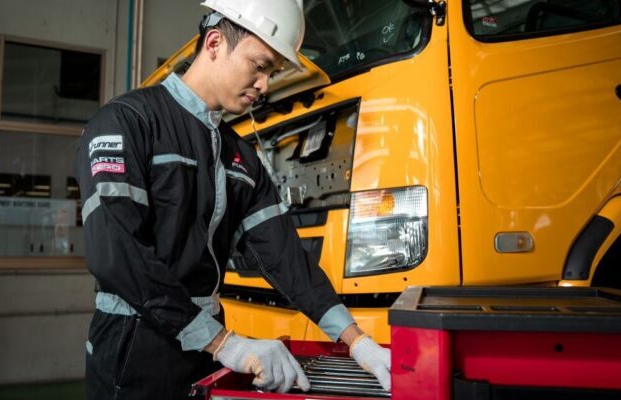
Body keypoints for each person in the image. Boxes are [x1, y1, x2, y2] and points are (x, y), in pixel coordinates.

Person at [75, 0, 391, 399]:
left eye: (272, 73)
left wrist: (358, 342)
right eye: (259, 66)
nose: (265, 86)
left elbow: (286, 258)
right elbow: (116, 255)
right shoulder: (128, 123)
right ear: (213, 43)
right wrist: (226, 344)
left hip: (205, 354)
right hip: (135, 348)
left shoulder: (240, 157)